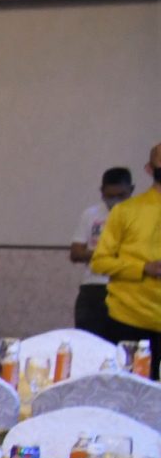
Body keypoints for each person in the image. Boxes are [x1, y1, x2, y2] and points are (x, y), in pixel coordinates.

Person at [89, 146, 161, 344]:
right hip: (130, 318)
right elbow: (100, 262)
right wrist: (143, 268)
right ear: (149, 169)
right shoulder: (125, 211)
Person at [69, 167, 136, 341]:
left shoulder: (140, 215)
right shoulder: (90, 214)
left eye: (121, 195)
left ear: (131, 190)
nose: (115, 201)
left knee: (123, 343)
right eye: (110, 196)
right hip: (93, 287)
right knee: (89, 341)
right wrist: (108, 255)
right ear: (102, 192)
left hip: (126, 287)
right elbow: (76, 252)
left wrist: (100, 255)